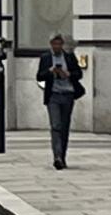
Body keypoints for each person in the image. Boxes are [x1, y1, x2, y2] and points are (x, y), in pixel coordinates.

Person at [36, 34, 84, 171]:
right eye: (54, 44)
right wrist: (50, 71)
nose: (56, 47)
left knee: (64, 127)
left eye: (59, 44)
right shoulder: (45, 58)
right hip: (53, 96)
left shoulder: (69, 57)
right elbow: (39, 76)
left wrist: (68, 74)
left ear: (62, 44)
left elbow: (79, 74)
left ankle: (62, 156)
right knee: (56, 125)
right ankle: (57, 157)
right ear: (51, 44)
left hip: (68, 95)